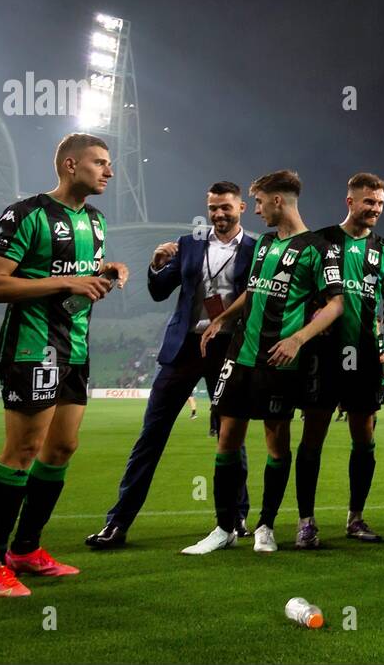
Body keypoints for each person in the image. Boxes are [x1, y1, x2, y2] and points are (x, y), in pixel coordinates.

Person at [0, 133, 129, 597]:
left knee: (61, 449)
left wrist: (108, 272)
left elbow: (80, 277)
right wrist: (68, 282)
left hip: (75, 348)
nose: (109, 171)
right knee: (22, 452)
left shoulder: (96, 220)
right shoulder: (26, 214)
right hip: (32, 347)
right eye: (100, 163)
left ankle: (25, 549)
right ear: (69, 164)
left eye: (109, 163)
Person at [181, 170, 345, 555]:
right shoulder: (267, 243)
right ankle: (224, 528)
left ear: (277, 200)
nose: (255, 210)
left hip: (279, 360)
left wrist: (298, 337)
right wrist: (221, 319)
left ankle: (266, 526)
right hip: (240, 356)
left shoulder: (320, 249)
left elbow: (336, 304)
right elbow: (253, 293)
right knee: (227, 440)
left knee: (276, 441)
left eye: (258, 202)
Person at [86, 181, 257, 550]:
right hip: (184, 349)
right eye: (213, 207)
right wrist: (155, 264)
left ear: (241, 207)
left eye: (226, 207)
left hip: (228, 349)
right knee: (151, 435)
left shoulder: (256, 251)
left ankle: (236, 515)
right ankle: (118, 522)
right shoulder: (190, 243)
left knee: (230, 435)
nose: (218, 214)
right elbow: (159, 290)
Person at [297, 173, 384, 548]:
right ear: (350, 202)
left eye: (380, 203)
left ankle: (355, 518)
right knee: (314, 435)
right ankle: (306, 522)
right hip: (324, 355)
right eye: (368, 202)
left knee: (364, 436)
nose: (375, 209)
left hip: (367, 355)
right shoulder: (320, 242)